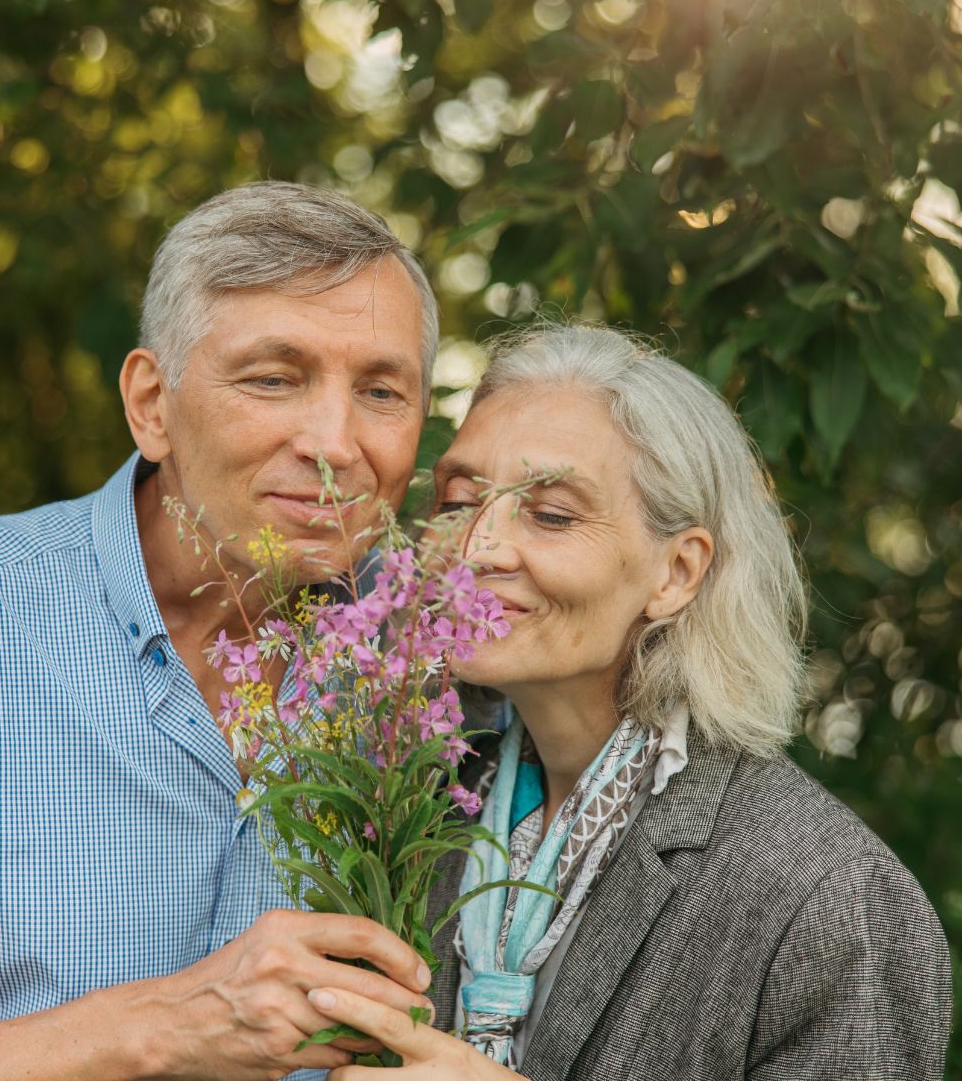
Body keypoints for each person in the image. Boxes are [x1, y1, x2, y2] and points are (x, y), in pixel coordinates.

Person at [0, 182, 441, 1080]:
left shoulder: (439, 656)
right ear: (151, 404)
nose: (335, 442)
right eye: (273, 378)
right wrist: (160, 1028)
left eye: (381, 391)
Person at [298, 324, 952, 1080]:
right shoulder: (418, 806)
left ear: (676, 573)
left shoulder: (828, 898)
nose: (477, 548)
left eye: (550, 515)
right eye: (458, 501)